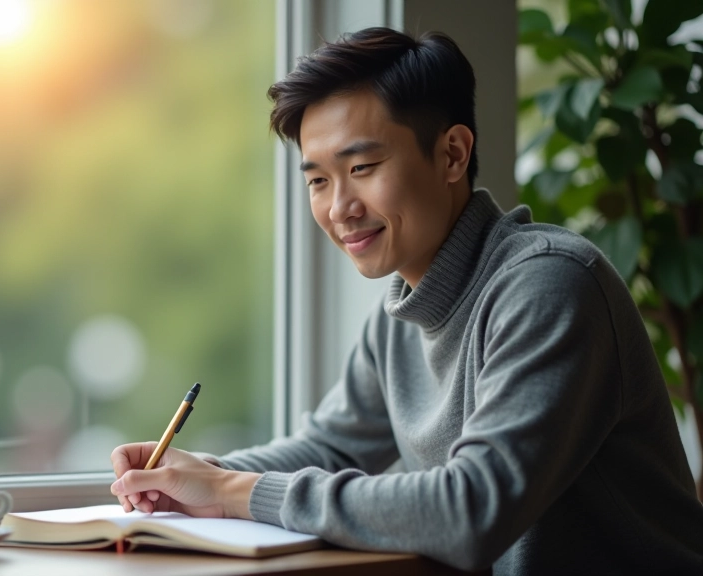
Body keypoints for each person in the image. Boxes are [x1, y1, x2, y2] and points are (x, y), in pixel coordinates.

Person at [109, 27, 703, 574]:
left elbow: (470, 510)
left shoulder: (551, 284)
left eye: (362, 166)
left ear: (452, 154)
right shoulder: (403, 308)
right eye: (318, 180)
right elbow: (331, 447)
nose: (338, 207)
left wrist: (233, 494)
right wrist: (203, 474)